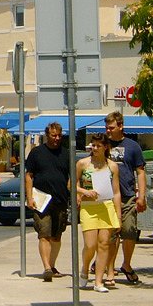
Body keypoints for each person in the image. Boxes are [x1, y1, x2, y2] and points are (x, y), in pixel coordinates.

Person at [104, 110, 146, 285]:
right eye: (106, 128)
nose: (108, 131)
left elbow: (141, 172)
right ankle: (109, 270)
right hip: (107, 197)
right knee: (111, 235)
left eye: (111, 128)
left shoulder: (133, 146)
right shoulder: (102, 145)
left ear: (121, 126)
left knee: (129, 232)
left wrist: (141, 196)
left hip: (128, 196)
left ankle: (126, 265)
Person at [25, 121, 70, 282]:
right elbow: (29, 176)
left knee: (56, 236)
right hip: (41, 201)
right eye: (53, 135)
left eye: (59, 135)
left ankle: (52, 265)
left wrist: (73, 194)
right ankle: (46, 267)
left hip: (61, 200)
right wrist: (29, 197)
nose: (57, 138)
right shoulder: (37, 153)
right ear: (47, 135)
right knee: (44, 234)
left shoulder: (66, 154)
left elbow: (71, 178)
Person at [76, 134, 122, 293]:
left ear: (105, 147)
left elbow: (116, 192)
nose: (94, 148)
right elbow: (71, 185)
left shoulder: (112, 166)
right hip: (89, 208)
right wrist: (84, 192)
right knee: (90, 245)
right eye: (93, 145)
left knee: (104, 244)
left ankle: (98, 281)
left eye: (98, 146)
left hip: (106, 207)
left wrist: (118, 216)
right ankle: (84, 268)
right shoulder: (82, 164)